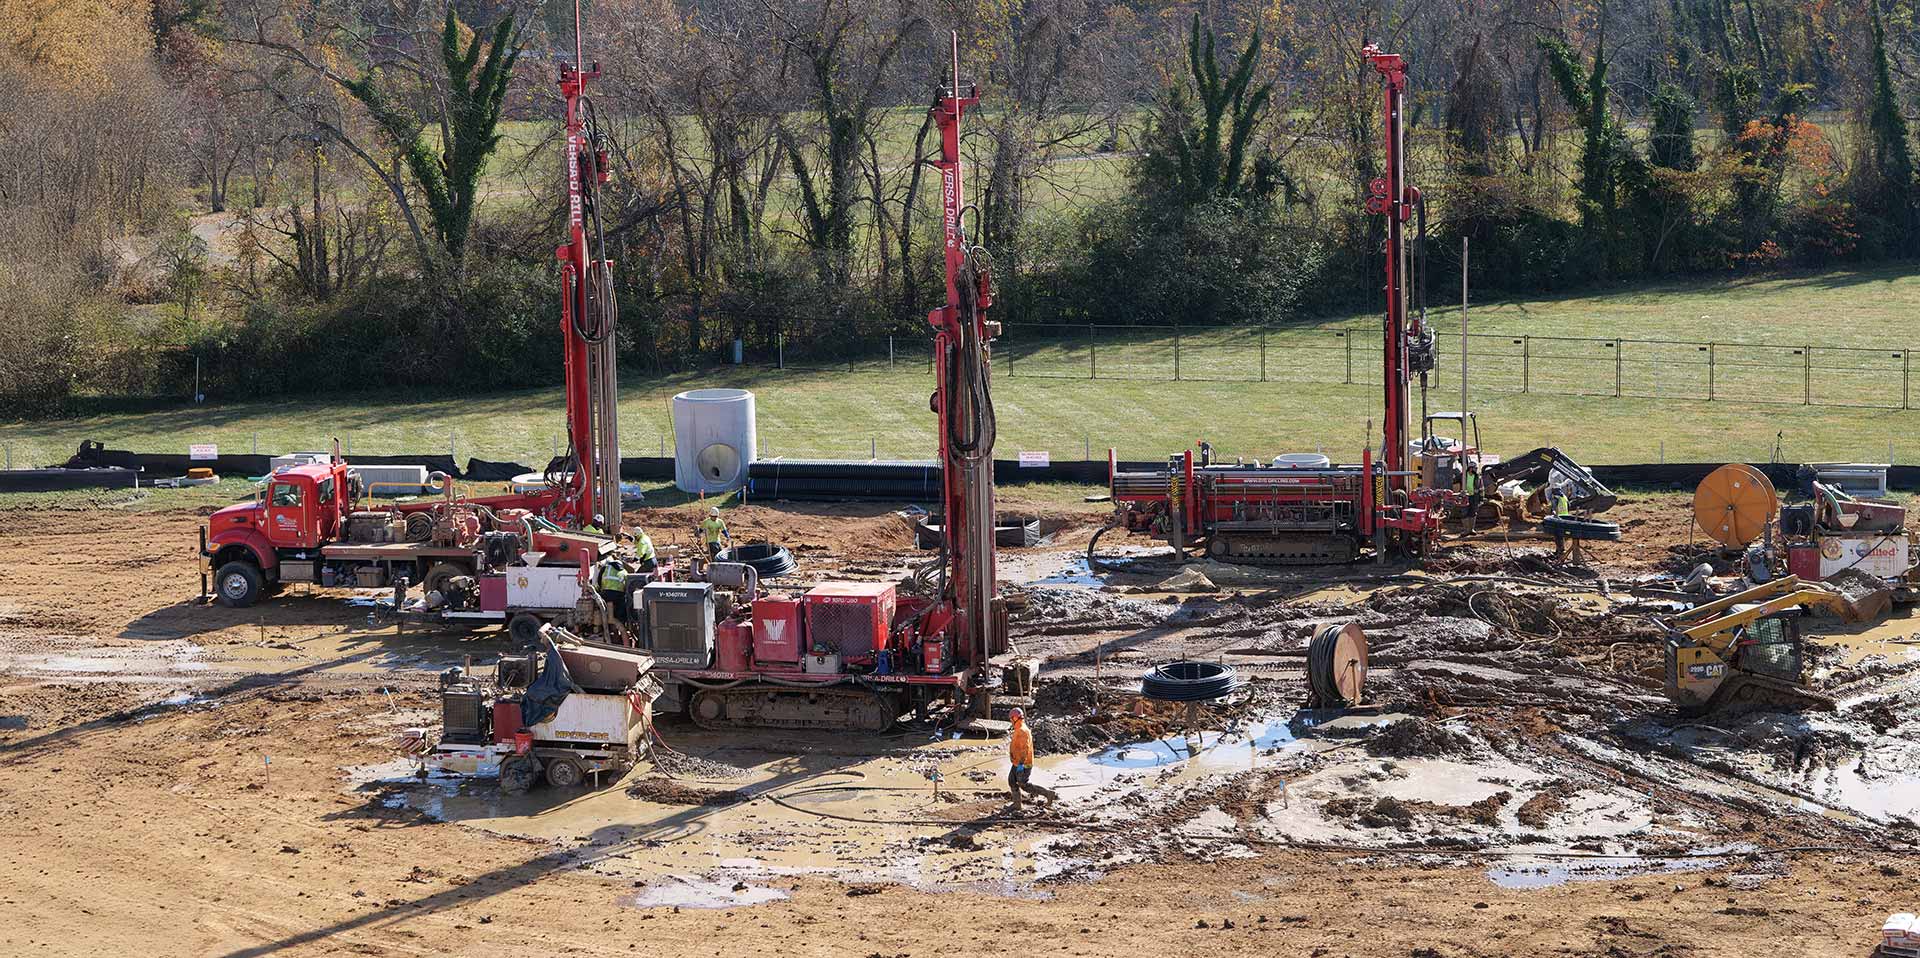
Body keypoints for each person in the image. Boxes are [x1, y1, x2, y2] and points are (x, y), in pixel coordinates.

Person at [1006, 708, 1059, 811]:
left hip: (1023, 764)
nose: (1011, 721)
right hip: (1017, 762)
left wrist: (1021, 764)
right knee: (1012, 781)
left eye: (1011, 719)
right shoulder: (1019, 728)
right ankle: (1017, 804)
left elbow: (1024, 750)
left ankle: (1048, 794)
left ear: (1015, 718)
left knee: (1024, 785)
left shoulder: (1022, 731)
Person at [594, 552, 628, 621]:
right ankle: (620, 621)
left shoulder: (605, 568)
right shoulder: (624, 572)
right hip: (619, 595)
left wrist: (598, 590)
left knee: (597, 606)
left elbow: (599, 581)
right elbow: (627, 586)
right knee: (623, 606)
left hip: (605, 593)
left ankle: (602, 622)